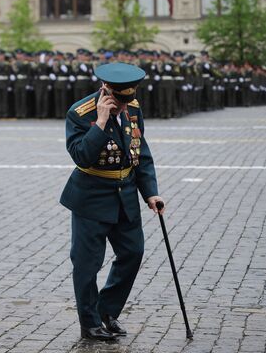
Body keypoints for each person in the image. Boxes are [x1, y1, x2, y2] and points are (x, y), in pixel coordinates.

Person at [60, 63, 164, 341]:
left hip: (126, 195)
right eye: (118, 100)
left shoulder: (133, 109)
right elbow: (82, 156)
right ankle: (90, 323)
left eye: (126, 100)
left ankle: (106, 311)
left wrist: (150, 192)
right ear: (105, 90)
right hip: (91, 198)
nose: (122, 106)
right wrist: (103, 122)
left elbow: (140, 153)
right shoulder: (80, 114)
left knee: (133, 253)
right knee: (87, 264)